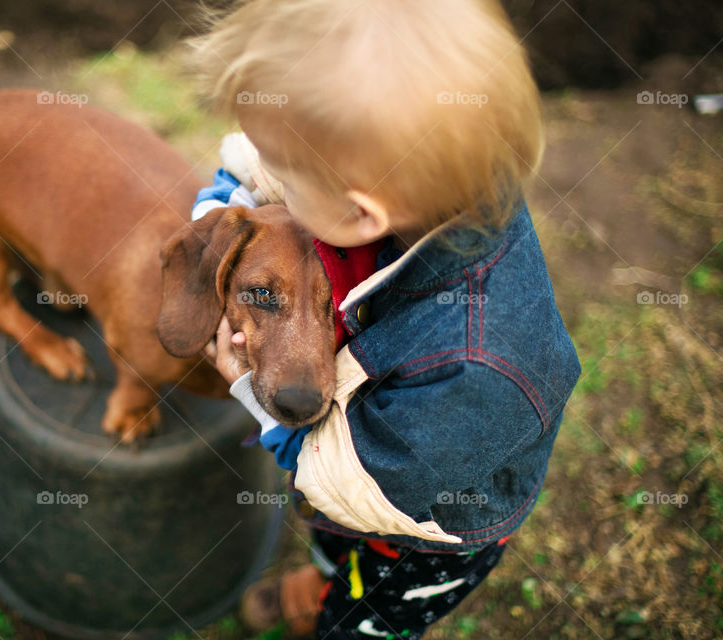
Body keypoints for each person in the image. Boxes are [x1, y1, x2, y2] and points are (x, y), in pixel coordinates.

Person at [190, 1, 582, 637]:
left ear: (362, 214)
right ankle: (321, 577)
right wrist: (218, 211)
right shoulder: (426, 181)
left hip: (420, 527)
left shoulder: (476, 366)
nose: (272, 179)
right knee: (334, 546)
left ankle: (338, 614)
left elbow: (350, 479)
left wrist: (250, 390)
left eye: (284, 169)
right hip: (385, 469)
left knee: (362, 612)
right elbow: (251, 169)